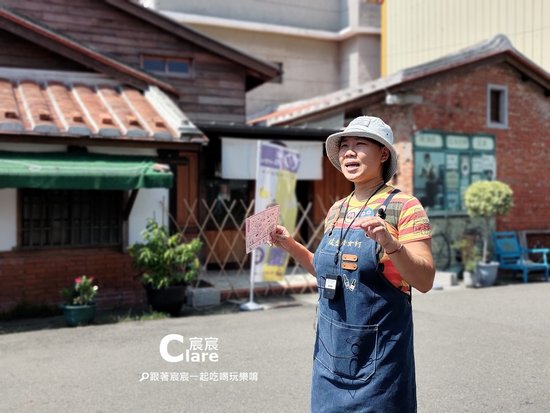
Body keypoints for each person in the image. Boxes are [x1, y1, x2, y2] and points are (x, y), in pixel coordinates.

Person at [269, 116, 435, 412]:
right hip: (329, 353)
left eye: (360, 144)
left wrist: (391, 245)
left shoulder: (404, 206)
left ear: (383, 153)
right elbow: (327, 272)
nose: (348, 152)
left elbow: (424, 280)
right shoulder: (338, 208)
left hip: (380, 359)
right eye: (344, 145)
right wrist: (289, 245)